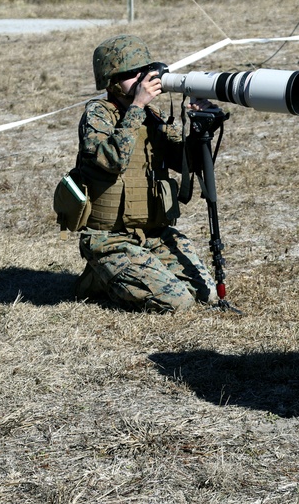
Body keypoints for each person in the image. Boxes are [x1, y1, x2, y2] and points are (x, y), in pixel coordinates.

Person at [67, 34, 217, 313]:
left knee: (205, 294)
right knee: (178, 302)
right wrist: (136, 107)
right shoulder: (98, 115)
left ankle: (134, 268)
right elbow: (112, 160)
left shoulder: (153, 115)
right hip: (109, 239)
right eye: (131, 74)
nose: (141, 79)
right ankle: (100, 277)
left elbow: (185, 162)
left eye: (144, 71)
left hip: (154, 233)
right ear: (111, 81)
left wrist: (200, 127)